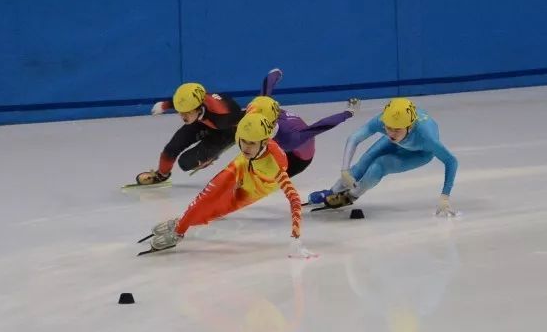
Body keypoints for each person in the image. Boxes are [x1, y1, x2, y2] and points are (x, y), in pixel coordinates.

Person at [139, 111, 312, 257]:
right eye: (243, 140)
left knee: (217, 210)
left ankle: (182, 222)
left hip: (258, 186)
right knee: (208, 195)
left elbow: (294, 199)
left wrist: (295, 236)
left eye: (252, 143)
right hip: (242, 166)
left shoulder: (277, 163)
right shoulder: (247, 145)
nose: (245, 147)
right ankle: (179, 231)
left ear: (264, 142)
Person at [308, 97, 459, 217]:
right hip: (402, 141)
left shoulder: (427, 137)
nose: (391, 132)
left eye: (396, 129)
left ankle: (351, 195)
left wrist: (445, 196)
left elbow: (451, 161)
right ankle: (332, 191)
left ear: (410, 126)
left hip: (420, 152)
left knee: (381, 164)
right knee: (365, 160)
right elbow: (354, 139)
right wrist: (345, 171)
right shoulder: (384, 121)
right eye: (388, 128)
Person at [247, 68, 359, 178]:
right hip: (285, 137)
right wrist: (276, 73)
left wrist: (348, 113)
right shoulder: (262, 107)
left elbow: (321, 126)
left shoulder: (291, 138)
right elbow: (268, 84)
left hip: (299, 159)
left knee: (265, 178)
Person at [134, 81, 243, 186]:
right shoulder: (192, 102)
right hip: (203, 121)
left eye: (187, 112)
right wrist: (164, 105)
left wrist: (213, 154)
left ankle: (210, 156)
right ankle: (161, 175)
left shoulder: (223, 117)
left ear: (199, 108)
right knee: (172, 148)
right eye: (181, 112)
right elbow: (181, 100)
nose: (183, 116)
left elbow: (246, 123)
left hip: (225, 131)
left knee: (185, 163)